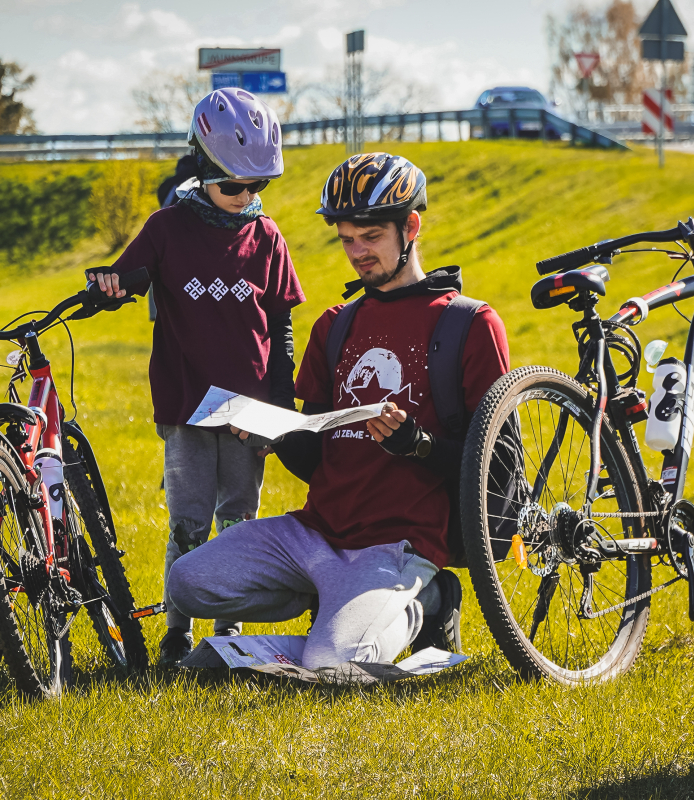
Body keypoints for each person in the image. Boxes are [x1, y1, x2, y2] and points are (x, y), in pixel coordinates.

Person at [166, 152, 511, 670]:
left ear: (410, 226)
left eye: (370, 238)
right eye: (346, 239)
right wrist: (272, 432)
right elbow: (319, 458)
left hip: (396, 546)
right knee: (188, 582)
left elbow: (499, 469)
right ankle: (337, 612)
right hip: (314, 534)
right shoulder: (335, 325)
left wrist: (415, 444)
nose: (356, 253)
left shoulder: (470, 324)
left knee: (338, 661)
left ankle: (431, 598)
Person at [88, 88, 305, 666]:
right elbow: (126, 279)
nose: (246, 197)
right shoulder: (168, 229)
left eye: (257, 186)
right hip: (187, 407)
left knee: (239, 522)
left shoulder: (269, 239)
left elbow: (281, 325)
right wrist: (109, 287)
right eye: (233, 185)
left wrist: (280, 405)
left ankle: (229, 637)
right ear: (203, 168)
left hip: (248, 413)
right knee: (188, 522)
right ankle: (178, 633)